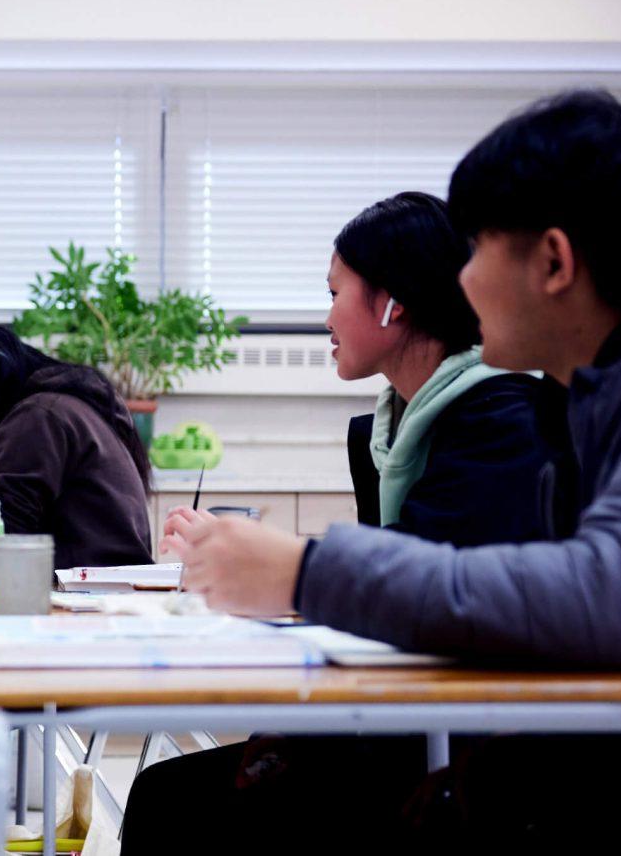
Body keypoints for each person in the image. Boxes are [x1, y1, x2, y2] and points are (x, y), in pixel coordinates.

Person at [164, 90, 621, 850]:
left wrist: (309, 570)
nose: (461, 278)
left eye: (476, 249)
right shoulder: (591, 398)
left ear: (553, 261)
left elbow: (611, 593)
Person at [121, 192, 580, 853]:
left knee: (175, 803)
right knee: (174, 795)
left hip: (472, 746)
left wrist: (278, 567)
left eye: (337, 291)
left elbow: (413, 580)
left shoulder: (502, 419)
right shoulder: (391, 431)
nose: (326, 316)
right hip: (401, 719)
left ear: (393, 301)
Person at [0, 318, 152, 569]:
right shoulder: (65, 405)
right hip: (110, 583)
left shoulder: (37, 418)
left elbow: (3, 535)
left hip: (90, 591)